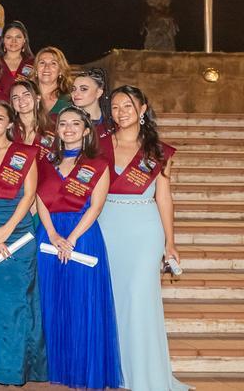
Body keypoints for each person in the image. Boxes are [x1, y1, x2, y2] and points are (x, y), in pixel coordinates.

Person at [102, 85, 188, 390]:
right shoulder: (98, 145)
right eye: (114, 107)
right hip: (106, 225)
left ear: (142, 109)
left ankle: (142, 375)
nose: (120, 112)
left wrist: (170, 242)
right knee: (111, 300)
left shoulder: (157, 151)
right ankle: (114, 371)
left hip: (143, 229)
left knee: (139, 301)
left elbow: (164, 198)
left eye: (127, 106)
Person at [35, 107, 121, 389]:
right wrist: (52, 234)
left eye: (75, 124)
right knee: (52, 300)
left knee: (82, 301)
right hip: (49, 236)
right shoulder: (46, 162)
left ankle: (84, 369)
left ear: (87, 130)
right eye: (63, 124)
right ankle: (57, 367)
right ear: (56, 130)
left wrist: (70, 238)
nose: (68, 128)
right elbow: (39, 201)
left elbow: (96, 207)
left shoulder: (98, 163)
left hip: (82, 236)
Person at [0, 100, 47, 385]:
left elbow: (29, 195)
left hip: (19, 230)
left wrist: (7, 230)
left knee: (20, 300)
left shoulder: (26, 153)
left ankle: (22, 367)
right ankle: (2, 366)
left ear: (10, 123)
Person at [35, 46, 73, 114]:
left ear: (60, 71)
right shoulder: (25, 97)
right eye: (42, 63)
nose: (46, 67)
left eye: (53, 63)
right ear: (36, 69)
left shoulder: (70, 100)